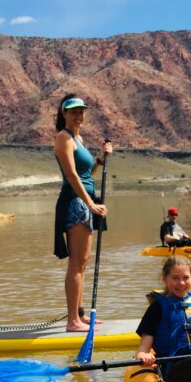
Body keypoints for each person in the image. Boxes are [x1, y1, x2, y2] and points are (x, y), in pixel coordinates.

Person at [53, 94, 112, 333]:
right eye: (73, 111)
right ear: (64, 113)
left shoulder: (79, 138)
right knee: (76, 264)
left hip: (84, 200)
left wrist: (100, 158)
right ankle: (72, 322)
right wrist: (90, 204)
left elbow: (87, 174)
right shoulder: (63, 137)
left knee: (83, 263)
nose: (78, 115)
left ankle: (80, 315)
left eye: (81, 111)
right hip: (75, 203)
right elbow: (72, 176)